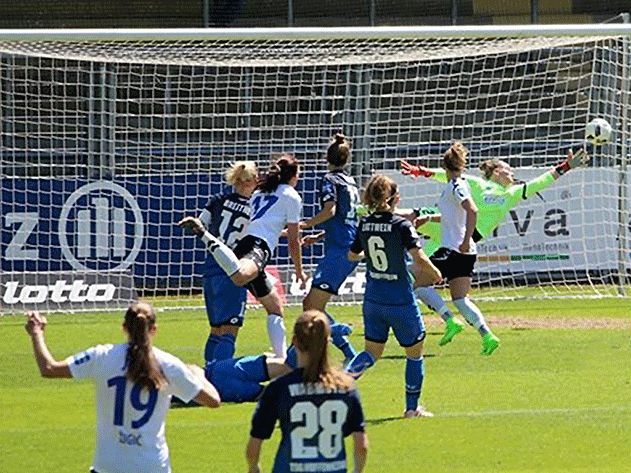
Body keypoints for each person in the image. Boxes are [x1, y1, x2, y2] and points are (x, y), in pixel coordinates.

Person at [400, 146, 588, 354]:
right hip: (459, 239)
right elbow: (448, 175)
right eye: (508, 169)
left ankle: (373, 215)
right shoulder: (478, 184)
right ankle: (487, 336)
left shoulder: (512, 193)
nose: (513, 173)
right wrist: (422, 172)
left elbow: (541, 181)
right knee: (456, 293)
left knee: (415, 267)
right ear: (496, 172)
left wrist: (566, 166)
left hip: (458, 239)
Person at [24, 302, 220, 473]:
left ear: (124, 327)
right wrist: (197, 374)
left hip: (109, 466)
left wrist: (36, 333)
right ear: (154, 329)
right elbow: (213, 400)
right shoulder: (170, 365)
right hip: (151, 466)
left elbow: (49, 368)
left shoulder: (102, 356)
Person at [181, 154, 308, 357]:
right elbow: (291, 240)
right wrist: (299, 271)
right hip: (250, 251)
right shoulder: (288, 195)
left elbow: (263, 225)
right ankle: (220, 374)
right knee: (237, 289)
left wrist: (287, 234)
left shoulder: (252, 195)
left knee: (273, 307)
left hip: (221, 259)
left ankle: (281, 358)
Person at [345, 174, 442, 418]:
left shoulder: (365, 223)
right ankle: (411, 408)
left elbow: (351, 256)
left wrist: (370, 256)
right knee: (415, 353)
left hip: (374, 299)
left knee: (371, 353)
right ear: (395, 197)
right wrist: (436, 274)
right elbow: (419, 259)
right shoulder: (401, 225)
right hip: (400, 301)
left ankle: (340, 382)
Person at [246, 310, 368, 473]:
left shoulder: (279, 388)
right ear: (328, 342)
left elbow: (255, 444)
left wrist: (254, 468)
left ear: (294, 341)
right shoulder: (345, 387)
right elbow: (361, 445)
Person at [197, 161, 289, 362]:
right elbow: (261, 232)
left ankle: (209, 371)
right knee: (229, 330)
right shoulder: (255, 206)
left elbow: (200, 224)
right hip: (235, 267)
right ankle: (220, 374)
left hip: (212, 267)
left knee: (216, 329)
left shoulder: (218, 200)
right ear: (254, 179)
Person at [300, 133, 360, 363]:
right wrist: (319, 235)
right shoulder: (350, 182)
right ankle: (348, 353)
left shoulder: (329, 180)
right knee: (313, 306)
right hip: (346, 247)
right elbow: (346, 219)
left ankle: (338, 332)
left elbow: (330, 211)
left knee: (311, 307)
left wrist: (306, 224)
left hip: (339, 251)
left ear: (327, 157)